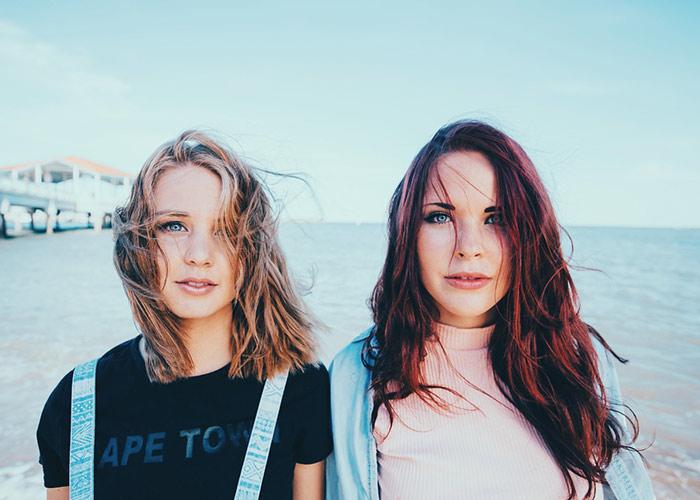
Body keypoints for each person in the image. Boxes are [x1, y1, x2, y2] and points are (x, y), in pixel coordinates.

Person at [326, 120, 655, 500]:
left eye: (496, 218)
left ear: (529, 233)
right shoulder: (357, 376)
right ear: (407, 233)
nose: (469, 247)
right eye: (440, 216)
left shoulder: (577, 357)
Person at [37, 131, 332, 500]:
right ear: (140, 242)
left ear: (251, 250)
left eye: (226, 229)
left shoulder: (298, 388)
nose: (199, 254)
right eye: (174, 226)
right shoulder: (77, 402)